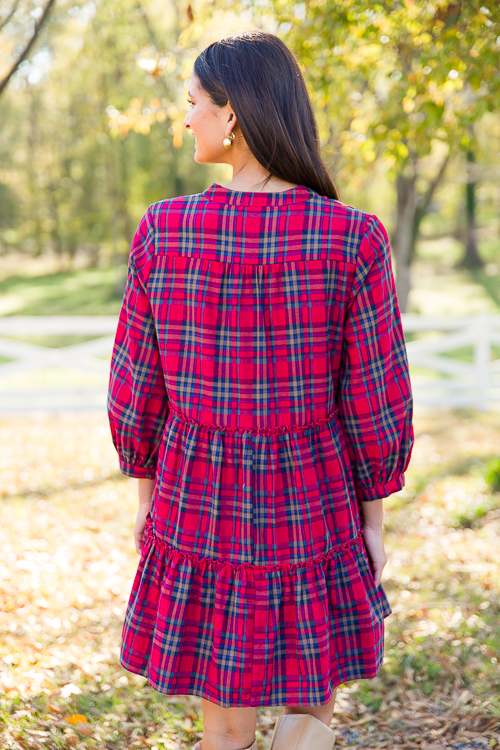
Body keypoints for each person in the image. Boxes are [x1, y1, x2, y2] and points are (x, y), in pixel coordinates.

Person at [107, 29, 414, 750]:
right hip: (314, 497)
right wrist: (374, 523)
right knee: (312, 703)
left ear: (233, 114)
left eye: (192, 104)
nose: (186, 119)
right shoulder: (352, 238)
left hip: (197, 498)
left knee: (225, 719)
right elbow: (376, 398)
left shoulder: (165, 230)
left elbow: (135, 391)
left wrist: (147, 503)